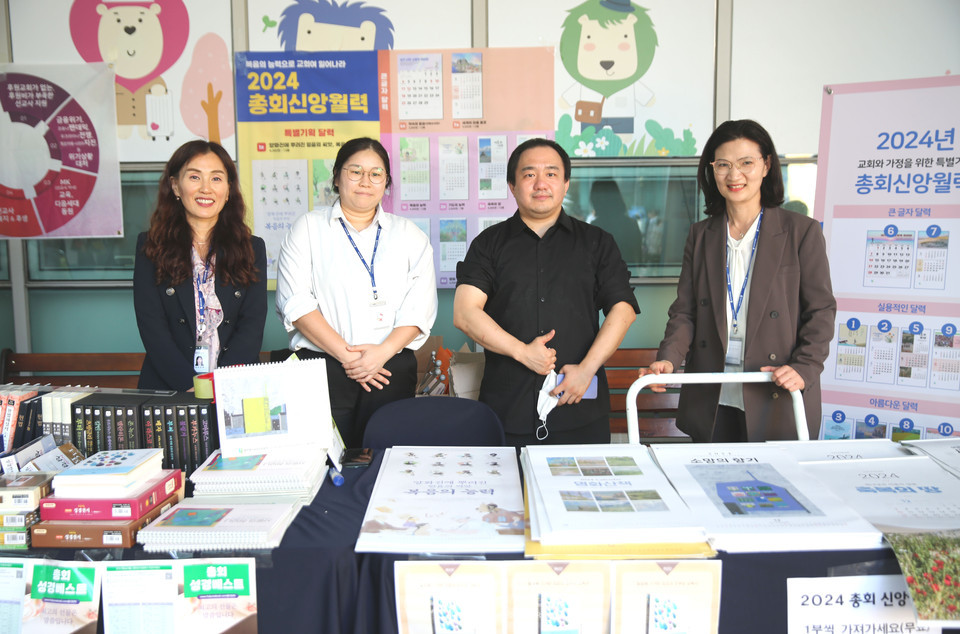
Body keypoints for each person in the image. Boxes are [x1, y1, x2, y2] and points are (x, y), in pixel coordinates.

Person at [640, 120, 836, 442]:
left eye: (746, 163)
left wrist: (805, 366)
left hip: (773, 387)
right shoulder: (701, 235)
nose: (734, 175)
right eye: (723, 165)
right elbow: (685, 311)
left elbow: (821, 310)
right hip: (711, 390)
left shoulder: (801, 232)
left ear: (766, 165)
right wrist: (668, 358)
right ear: (711, 169)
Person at [454, 138, 639, 447]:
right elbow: (464, 312)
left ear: (566, 184)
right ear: (512, 185)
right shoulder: (488, 244)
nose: (540, 183)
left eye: (551, 173)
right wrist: (521, 351)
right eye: (529, 174)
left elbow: (623, 308)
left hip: (580, 407)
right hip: (506, 411)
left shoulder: (597, 242)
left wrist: (586, 370)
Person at [275, 137, 437, 448]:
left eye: (376, 174)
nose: (366, 181)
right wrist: (350, 359)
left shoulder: (409, 235)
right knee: (324, 467)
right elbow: (295, 302)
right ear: (336, 177)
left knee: (387, 464)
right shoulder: (308, 229)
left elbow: (419, 309)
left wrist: (381, 354)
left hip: (389, 369)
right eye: (355, 171)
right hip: (324, 369)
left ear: (386, 183)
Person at [134, 140, 267, 391]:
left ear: (228, 190)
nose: (206, 189)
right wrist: (189, 385)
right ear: (175, 185)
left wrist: (222, 384)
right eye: (194, 177)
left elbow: (252, 325)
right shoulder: (150, 246)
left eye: (216, 179)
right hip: (170, 387)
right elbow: (152, 326)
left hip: (233, 387)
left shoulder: (252, 248)